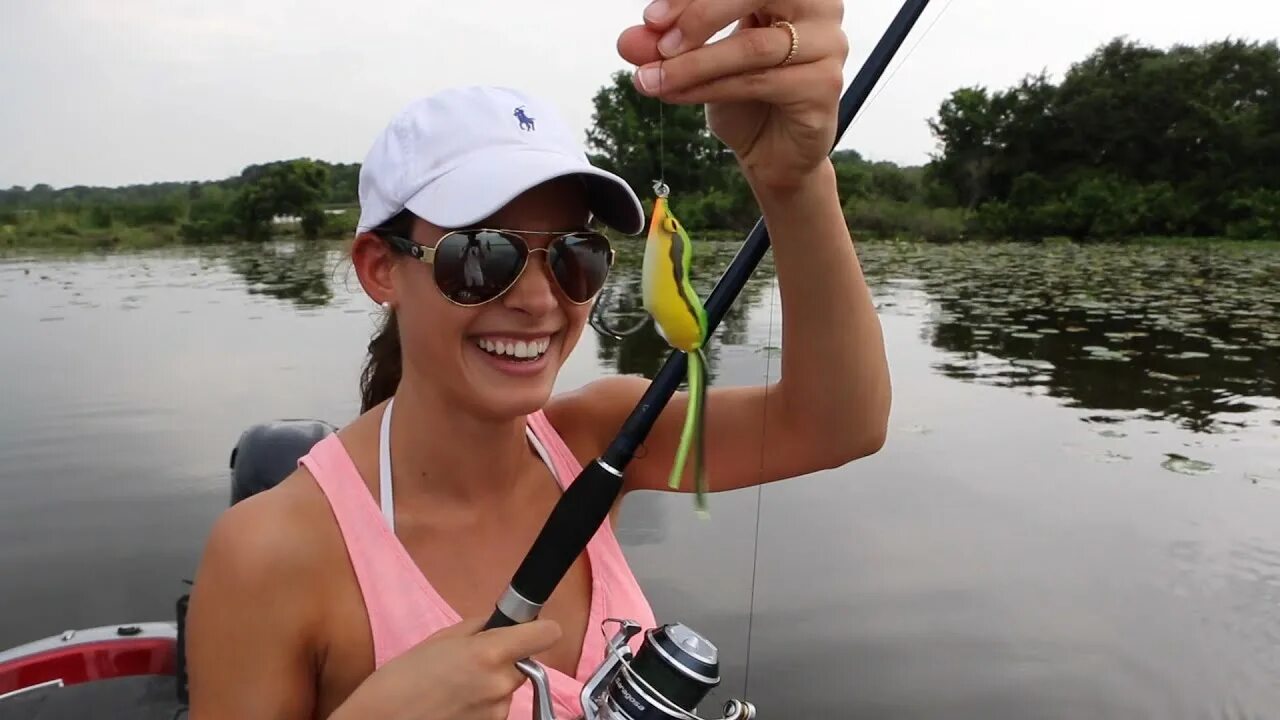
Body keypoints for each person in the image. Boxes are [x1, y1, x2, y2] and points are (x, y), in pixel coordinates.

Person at [184, 0, 890, 718]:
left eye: (573, 256)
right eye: (483, 254)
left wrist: (793, 181)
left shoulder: (598, 440)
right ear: (381, 269)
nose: (540, 301)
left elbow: (838, 423)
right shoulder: (270, 554)